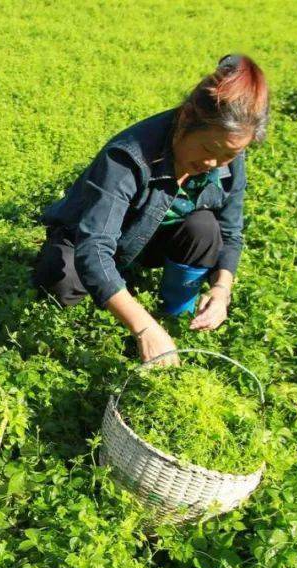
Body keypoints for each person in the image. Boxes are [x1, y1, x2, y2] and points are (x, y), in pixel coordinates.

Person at [32, 54, 269, 363]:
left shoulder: (228, 154)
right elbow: (94, 246)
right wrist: (144, 327)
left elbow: (230, 231)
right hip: (88, 237)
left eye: (230, 155)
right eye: (208, 149)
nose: (214, 163)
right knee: (60, 281)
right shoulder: (129, 156)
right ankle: (134, 316)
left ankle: (176, 321)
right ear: (186, 118)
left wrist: (222, 290)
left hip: (152, 241)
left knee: (205, 228)